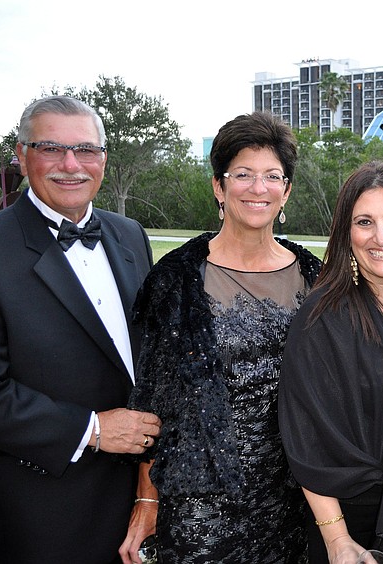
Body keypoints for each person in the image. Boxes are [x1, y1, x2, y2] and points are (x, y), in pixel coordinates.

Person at [0, 95, 159, 563]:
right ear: (22, 156)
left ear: (103, 159)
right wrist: (93, 430)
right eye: (50, 149)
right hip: (42, 503)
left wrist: (149, 487)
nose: (71, 165)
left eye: (86, 150)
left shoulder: (129, 234)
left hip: (135, 495)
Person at [118, 111, 321, 564]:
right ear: (218, 186)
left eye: (273, 176)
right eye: (243, 174)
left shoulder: (315, 276)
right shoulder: (176, 279)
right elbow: (153, 400)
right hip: (200, 503)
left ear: (286, 190)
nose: (257, 187)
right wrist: (147, 500)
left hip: (293, 495)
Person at [279, 161, 383, 564]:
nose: (381, 237)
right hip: (351, 522)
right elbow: (305, 438)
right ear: (346, 234)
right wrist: (337, 540)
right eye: (364, 222)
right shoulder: (323, 317)